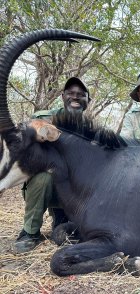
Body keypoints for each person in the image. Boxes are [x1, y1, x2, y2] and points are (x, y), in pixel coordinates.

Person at [15, 77, 91, 253]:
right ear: (63, 96)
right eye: (70, 93)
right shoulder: (43, 118)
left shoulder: (92, 131)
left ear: (88, 100)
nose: (75, 97)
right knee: (44, 177)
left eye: (81, 95)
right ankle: (30, 232)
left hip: (76, 191)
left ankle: (65, 220)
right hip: (48, 185)